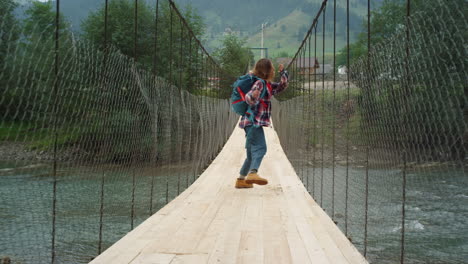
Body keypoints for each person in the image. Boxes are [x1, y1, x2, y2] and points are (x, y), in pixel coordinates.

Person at [235, 59, 288, 188]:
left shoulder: (268, 85)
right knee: (261, 148)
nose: (274, 71)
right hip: (253, 122)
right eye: (273, 69)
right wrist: (253, 97)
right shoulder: (260, 83)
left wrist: (283, 73)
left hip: (251, 122)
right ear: (267, 70)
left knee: (251, 154)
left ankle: (241, 180)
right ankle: (253, 173)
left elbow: (281, 86)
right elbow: (249, 98)